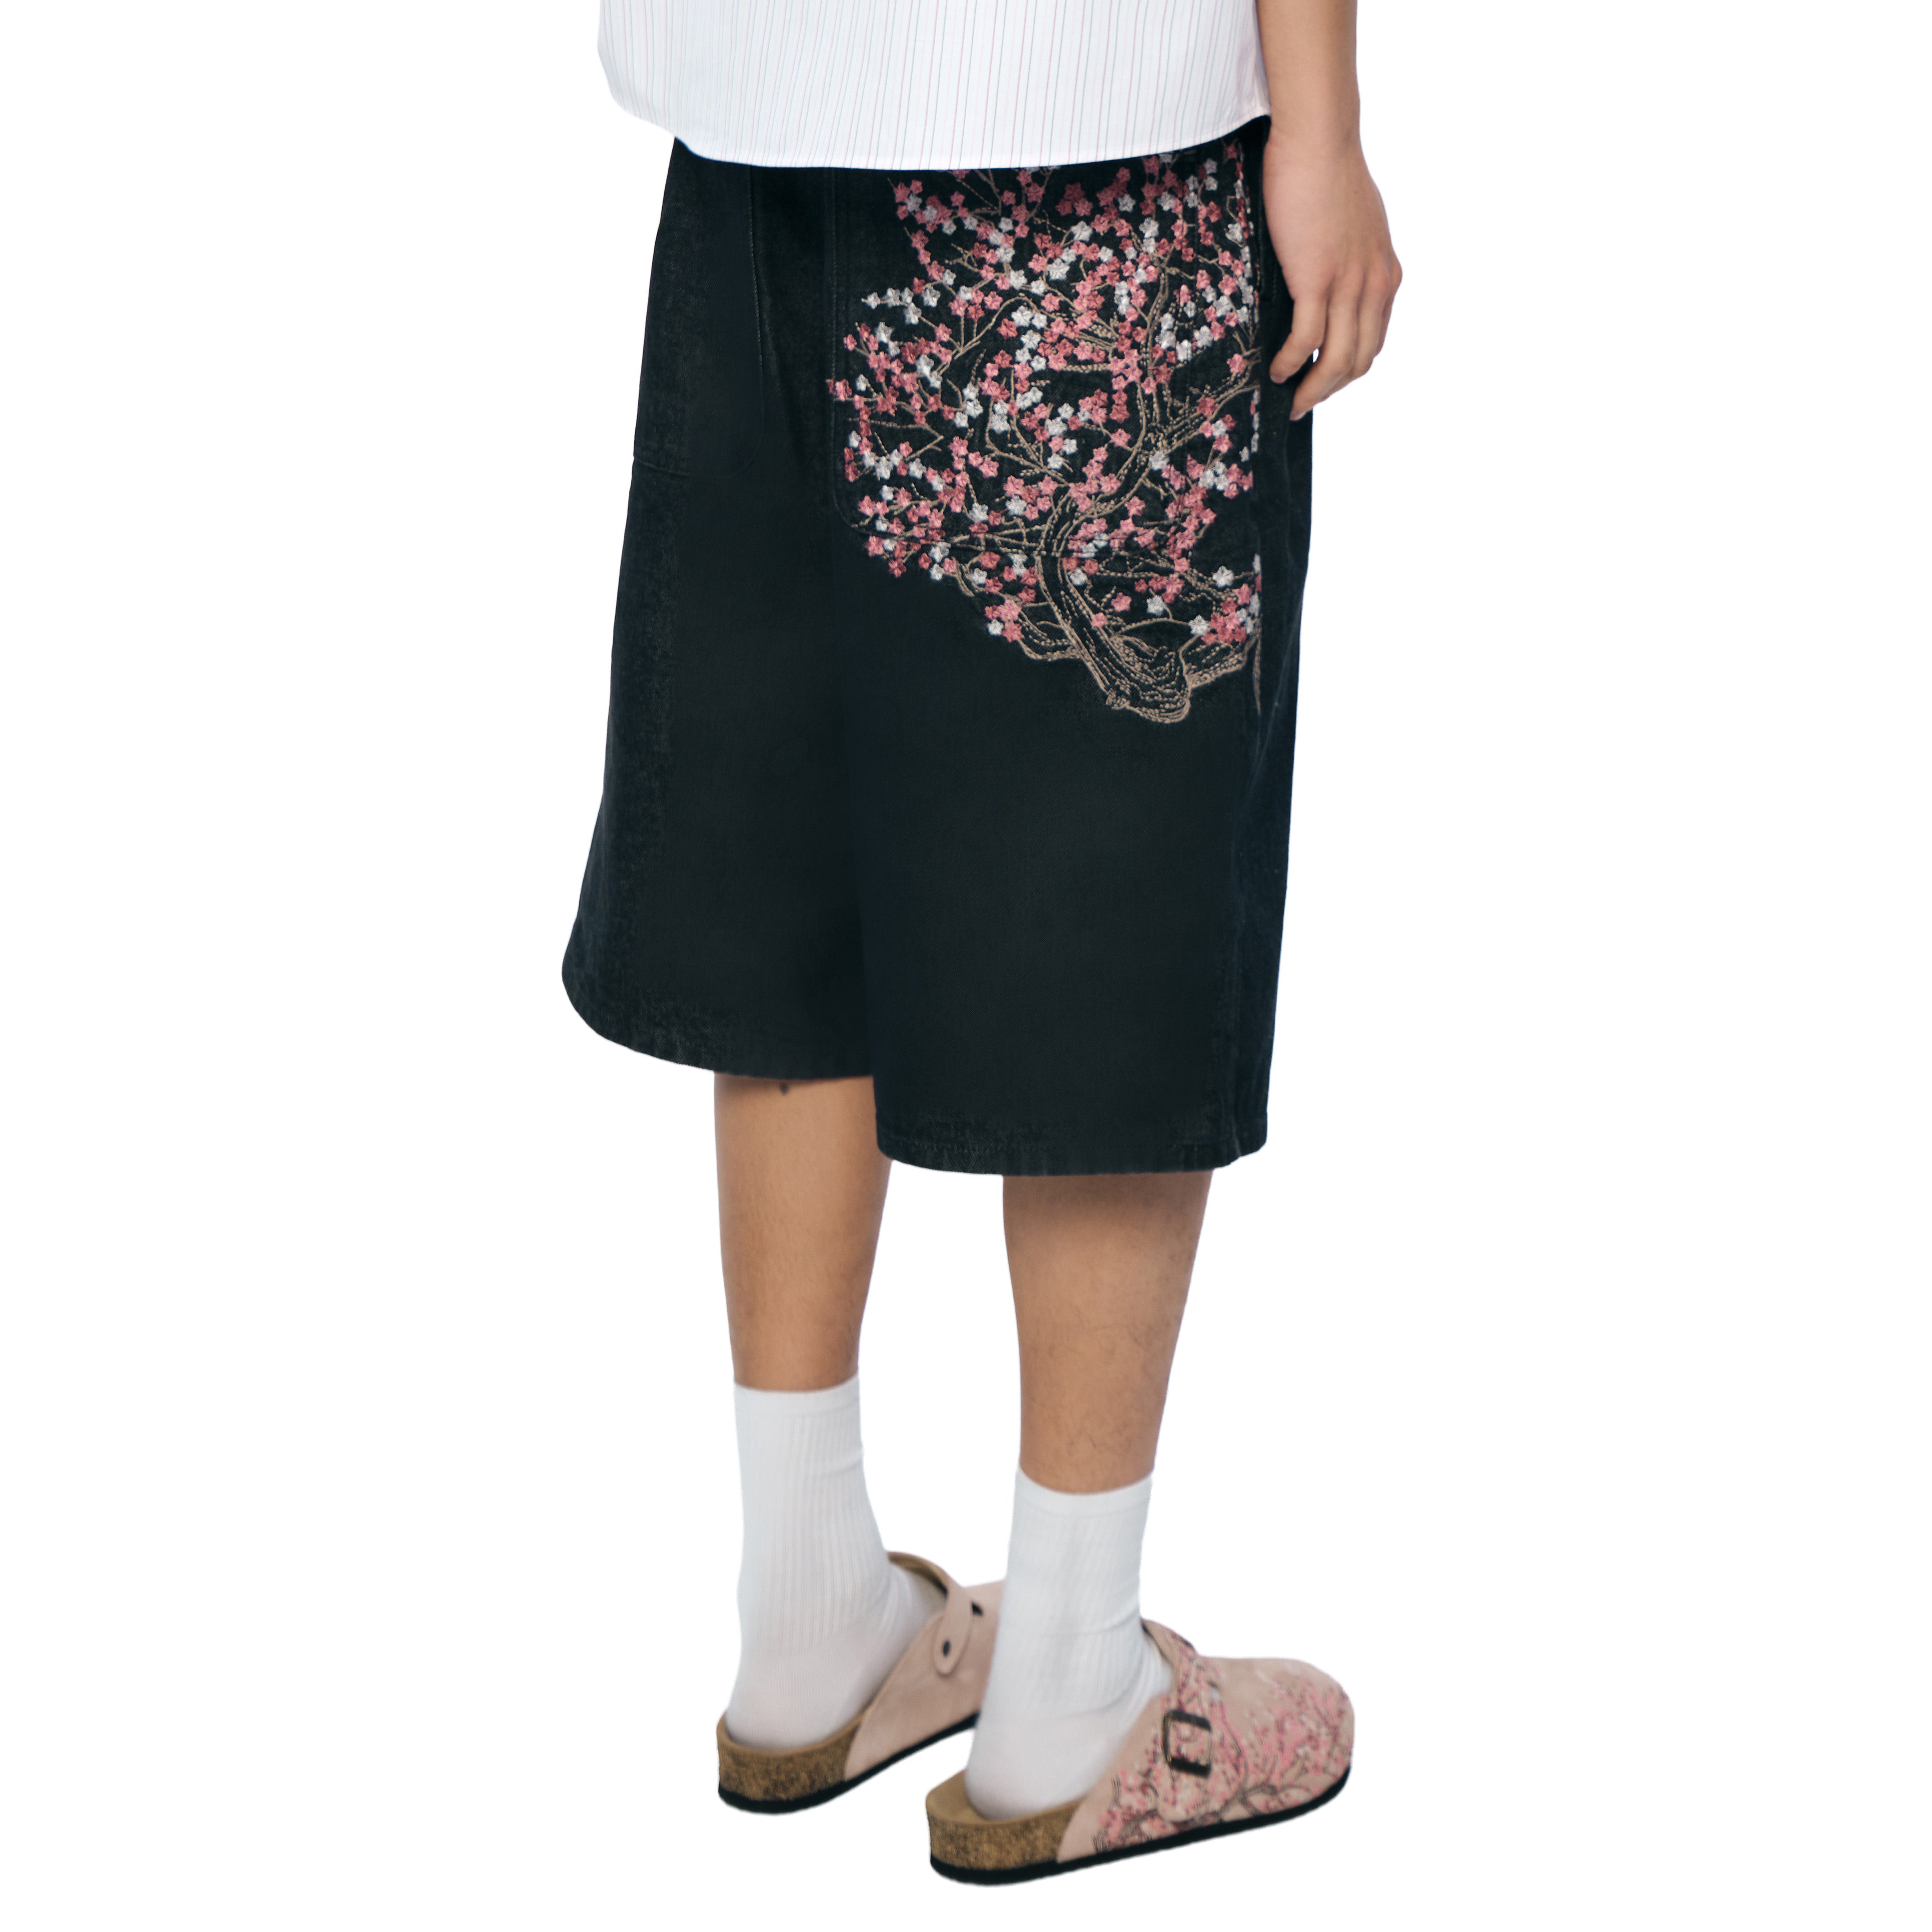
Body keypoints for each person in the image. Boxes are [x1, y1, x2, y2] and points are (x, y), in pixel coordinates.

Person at [563, 0, 1399, 1883]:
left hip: (754, 142)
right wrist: (1321, 123)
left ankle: (806, 1621)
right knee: (1106, 907)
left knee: (794, 875)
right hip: (1093, 139)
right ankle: (1074, 1690)